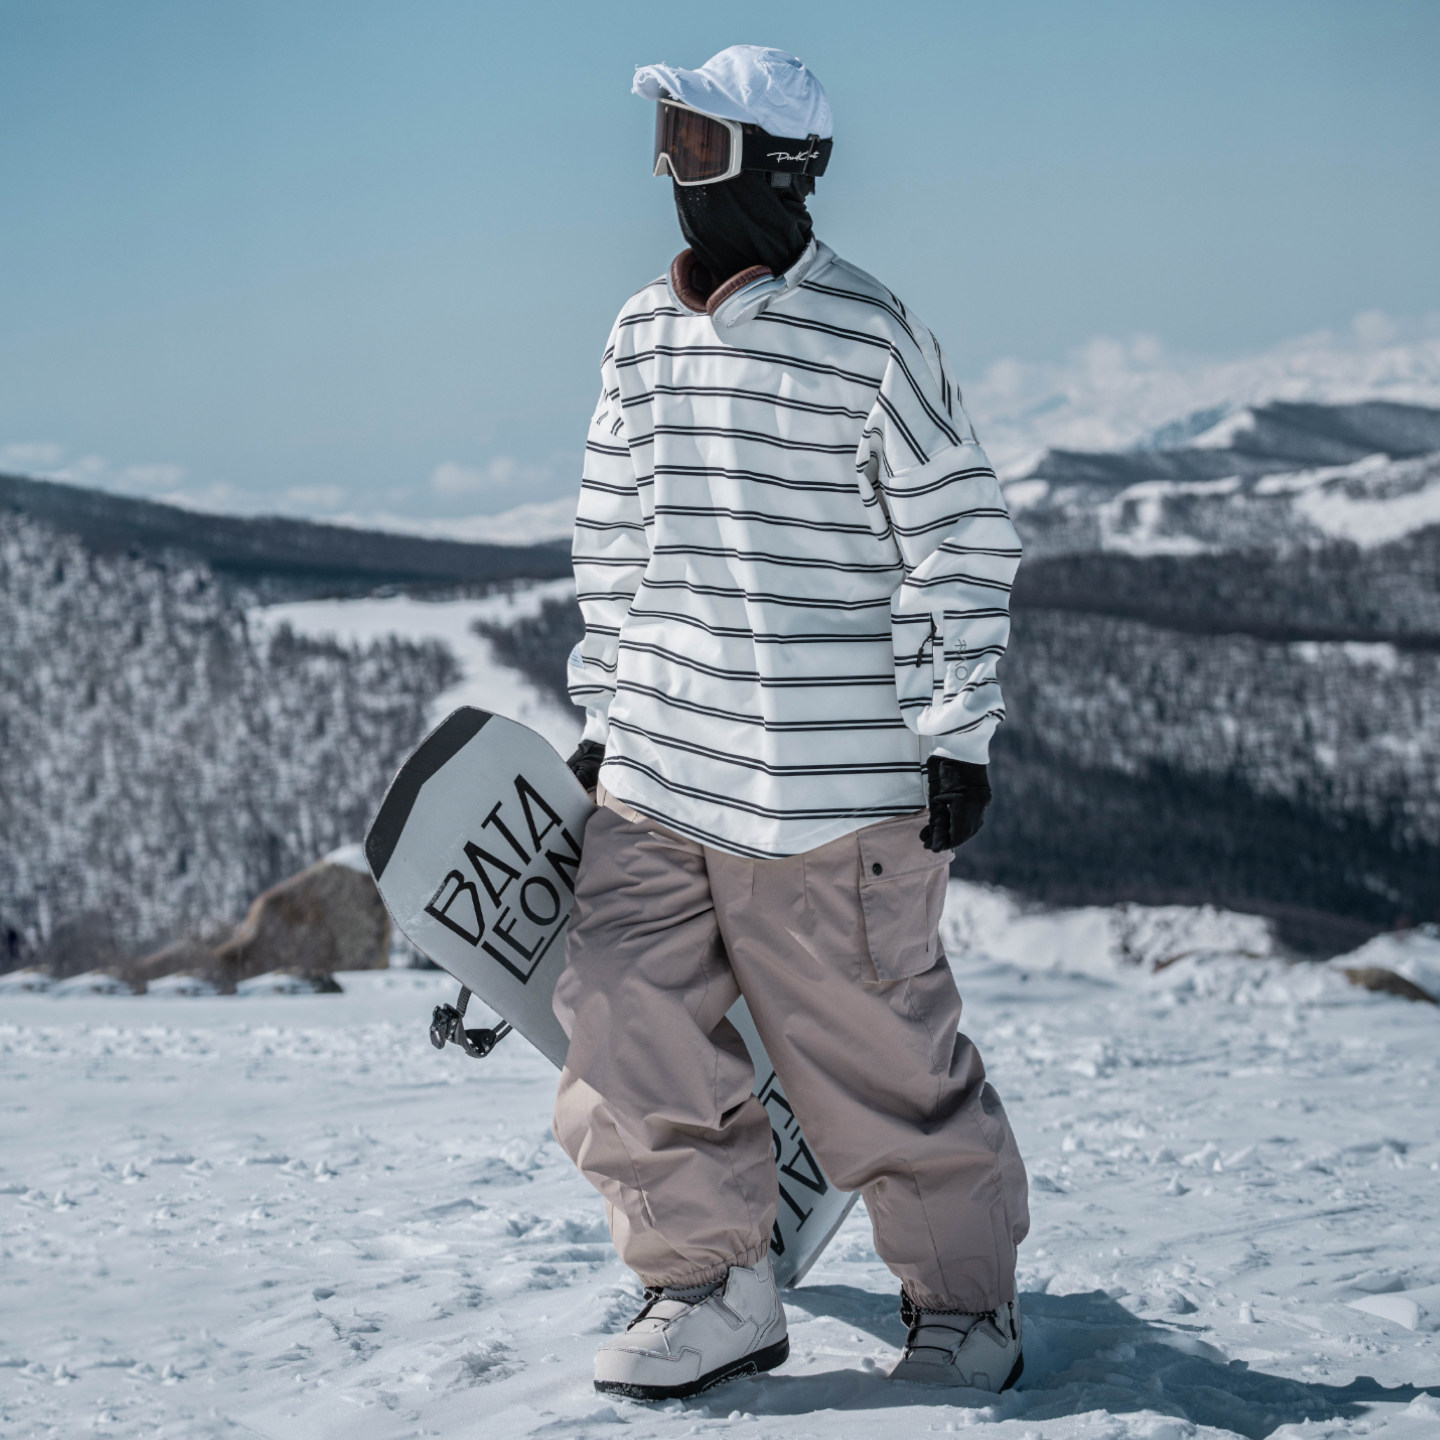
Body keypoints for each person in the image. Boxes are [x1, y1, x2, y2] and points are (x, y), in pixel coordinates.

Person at [554, 44, 1029, 1401]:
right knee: (620, 1016)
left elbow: (962, 539)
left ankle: (964, 1306)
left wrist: (956, 730)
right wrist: (605, 708)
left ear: (785, 167)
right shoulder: (641, 333)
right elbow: (614, 538)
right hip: (660, 767)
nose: (674, 174)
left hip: (829, 790)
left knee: (882, 1063)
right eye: (667, 141)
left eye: (701, 146)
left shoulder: (871, 335)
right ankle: (710, 1284)